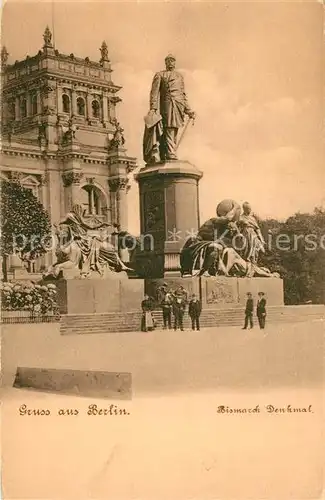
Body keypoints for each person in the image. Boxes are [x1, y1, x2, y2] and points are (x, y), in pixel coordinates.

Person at [143, 54, 195, 164]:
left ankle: (168, 152)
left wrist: (188, 110)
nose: (171, 62)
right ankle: (171, 152)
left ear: (175, 62)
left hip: (178, 105)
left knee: (174, 128)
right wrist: (153, 108)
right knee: (168, 128)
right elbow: (154, 93)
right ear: (165, 62)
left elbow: (183, 94)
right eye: (168, 60)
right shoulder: (160, 75)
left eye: (172, 60)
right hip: (167, 104)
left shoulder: (179, 76)